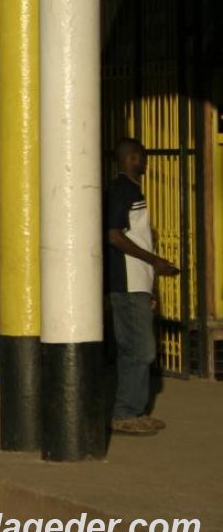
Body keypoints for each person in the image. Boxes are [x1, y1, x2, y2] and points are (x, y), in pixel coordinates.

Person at [104, 137, 179, 436]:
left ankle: (132, 411)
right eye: (143, 157)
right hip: (128, 283)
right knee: (140, 350)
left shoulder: (128, 189)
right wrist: (155, 261)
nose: (146, 163)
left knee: (134, 349)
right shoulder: (123, 189)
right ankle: (126, 413)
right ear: (133, 157)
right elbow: (114, 235)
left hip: (137, 283)